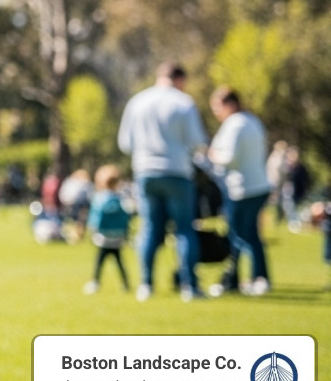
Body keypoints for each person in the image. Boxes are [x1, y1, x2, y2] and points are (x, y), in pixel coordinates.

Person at [117, 61, 208, 301]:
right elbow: (197, 141)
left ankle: (146, 284)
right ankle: (190, 286)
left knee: (149, 229)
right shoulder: (183, 102)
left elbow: (125, 143)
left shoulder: (137, 101)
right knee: (185, 229)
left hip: (146, 172)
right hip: (177, 172)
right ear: (179, 79)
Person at [207, 86, 272, 296]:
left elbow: (228, 158)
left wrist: (212, 155)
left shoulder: (234, 125)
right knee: (250, 234)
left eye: (218, 106)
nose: (216, 112)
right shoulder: (253, 120)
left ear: (230, 104)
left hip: (241, 188)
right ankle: (244, 278)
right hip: (259, 185)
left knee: (240, 236)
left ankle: (252, 279)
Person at [84, 165, 132, 294]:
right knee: (119, 262)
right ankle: (126, 284)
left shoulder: (99, 199)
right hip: (117, 237)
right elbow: (126, 218)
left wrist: (91, 230)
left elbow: (95, 219)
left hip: (103, 237)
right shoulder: (120, 199)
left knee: (99, 262)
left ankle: (95, 282)